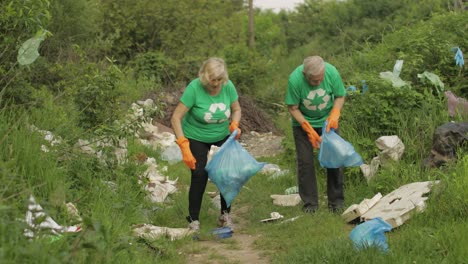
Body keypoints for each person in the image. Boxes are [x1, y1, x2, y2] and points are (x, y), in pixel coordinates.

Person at [171, 57, 242, 232]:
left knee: (227, 174)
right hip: (196, 135)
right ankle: (193, 220)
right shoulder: (194, 88)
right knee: (199, 174)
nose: (216, 83)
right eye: (212, 80)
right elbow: (175, 117)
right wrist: (183, 144)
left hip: (221, 134)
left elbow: (236, 109)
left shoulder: (228, 86)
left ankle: (225, 215)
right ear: (204, 76)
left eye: (219, 79)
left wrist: (234, 124)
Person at [284, 55, 346, 213]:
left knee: (334, 160)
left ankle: (336, 203)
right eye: (314, 81)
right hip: (303, 124)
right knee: (306, 163)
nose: (318, 83)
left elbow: (340, 95)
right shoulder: (295, 80)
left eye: (320, 79)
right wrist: (307, 127)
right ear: (306, 75)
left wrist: (335, 114)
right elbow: (292, 107)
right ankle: (310, 205)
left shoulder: (331, 72)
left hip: (328, 123)